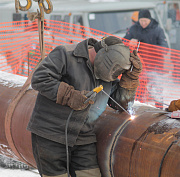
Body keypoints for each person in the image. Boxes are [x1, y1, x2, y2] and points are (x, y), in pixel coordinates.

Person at [27, 36, 142, 177]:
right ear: (102, 55)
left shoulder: (107, 73)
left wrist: (130, 79)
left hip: (83, 138)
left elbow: (121, 104)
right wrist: (70, 96)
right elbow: (40, 79)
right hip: (51, 134)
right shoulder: (65, 54)